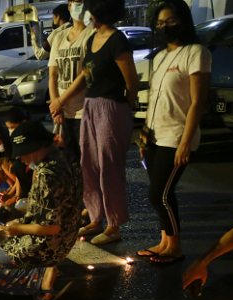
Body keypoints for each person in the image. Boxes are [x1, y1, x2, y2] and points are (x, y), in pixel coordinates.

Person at [56, 0, 139, 245]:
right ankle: (95, 217)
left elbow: (131, 81)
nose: (87, 13)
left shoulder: (117, 40)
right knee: (88, 165)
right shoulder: (93, 39)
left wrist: (127, 109)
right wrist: (61, 100)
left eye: (90, 9)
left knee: (109, 167)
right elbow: (86, 75)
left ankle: (114, 225)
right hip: (89, 106)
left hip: (111, 107)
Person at [0, 121, 82, 300]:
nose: (22, 160)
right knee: (21, 202)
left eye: (23, 154)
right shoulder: (68, 158)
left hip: (49, 245)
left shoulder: (46, 174)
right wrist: (15, 211)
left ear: (36, 147)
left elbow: (50, 228)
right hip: (69, 234)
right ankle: (42, 267)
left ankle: (41, 276)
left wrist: (17, 229)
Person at [136, 1, 210, 265]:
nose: (164, 27)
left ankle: (175, 248)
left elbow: (197, 102)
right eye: (159, 23)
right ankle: (165, 242)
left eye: (170, 21)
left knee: (160, 194)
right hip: (155, 135)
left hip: (176, 134)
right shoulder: (160, 56)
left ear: (183, 21)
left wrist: (185, 142)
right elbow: (154, 98)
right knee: (162, 194)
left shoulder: (196, 52)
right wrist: (144, 135)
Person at [48, 0, 96, 162]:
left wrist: (59, 101)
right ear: (69, 5)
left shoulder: (92, 35)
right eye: (77, 1)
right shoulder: (59, 36)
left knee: (87, 162)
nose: (80, 5)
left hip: (83, 112)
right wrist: (56, 105)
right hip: (63, 112)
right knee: (69, 162)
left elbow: (86, 73)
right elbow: (53, 74)